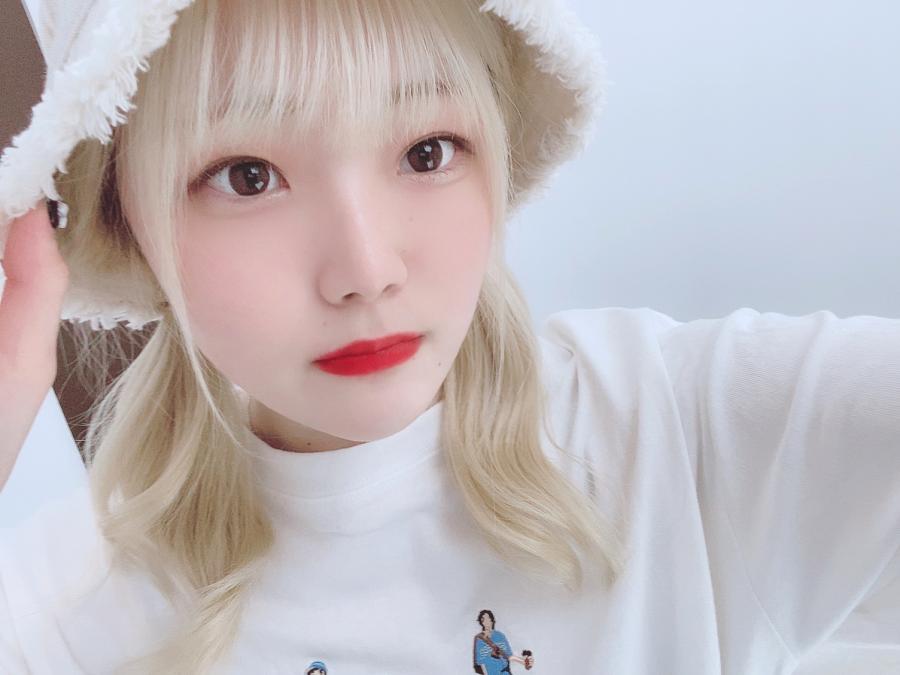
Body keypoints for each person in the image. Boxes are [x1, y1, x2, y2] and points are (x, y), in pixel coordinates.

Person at [0, 0, 898, 673]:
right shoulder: (66, 610)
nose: (366, 268)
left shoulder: (687, 429)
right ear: (128, 221)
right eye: (247, 175)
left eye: (426, 151)